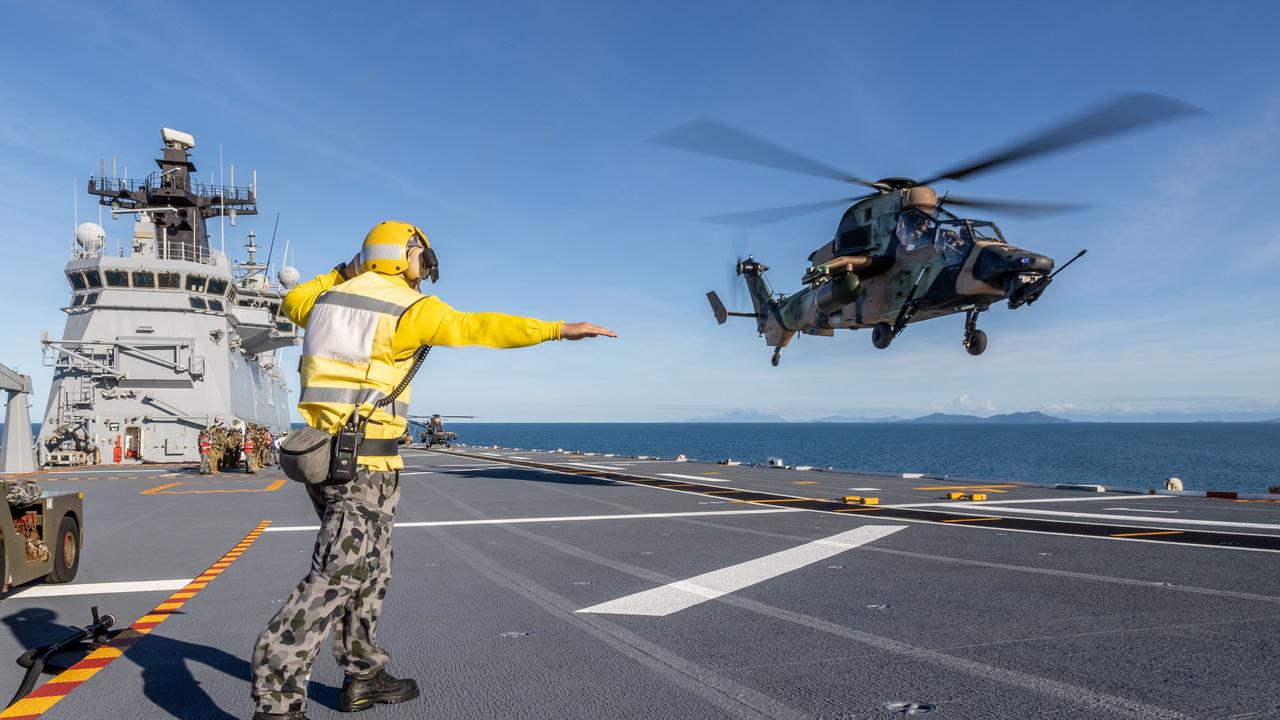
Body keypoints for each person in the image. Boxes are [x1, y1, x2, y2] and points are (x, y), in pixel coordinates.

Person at [250, 221, 615, 720]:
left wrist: (346, 268)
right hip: (366, 467)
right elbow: (478, 326)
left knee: (372, 570)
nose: (424, 267)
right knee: (336, 577)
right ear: (407, 257)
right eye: (420, 257)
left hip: (323, 460)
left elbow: (295, 298)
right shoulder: (410, 308)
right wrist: (556, 330)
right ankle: (276, 702)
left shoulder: (323, 302)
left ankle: (364, 676)